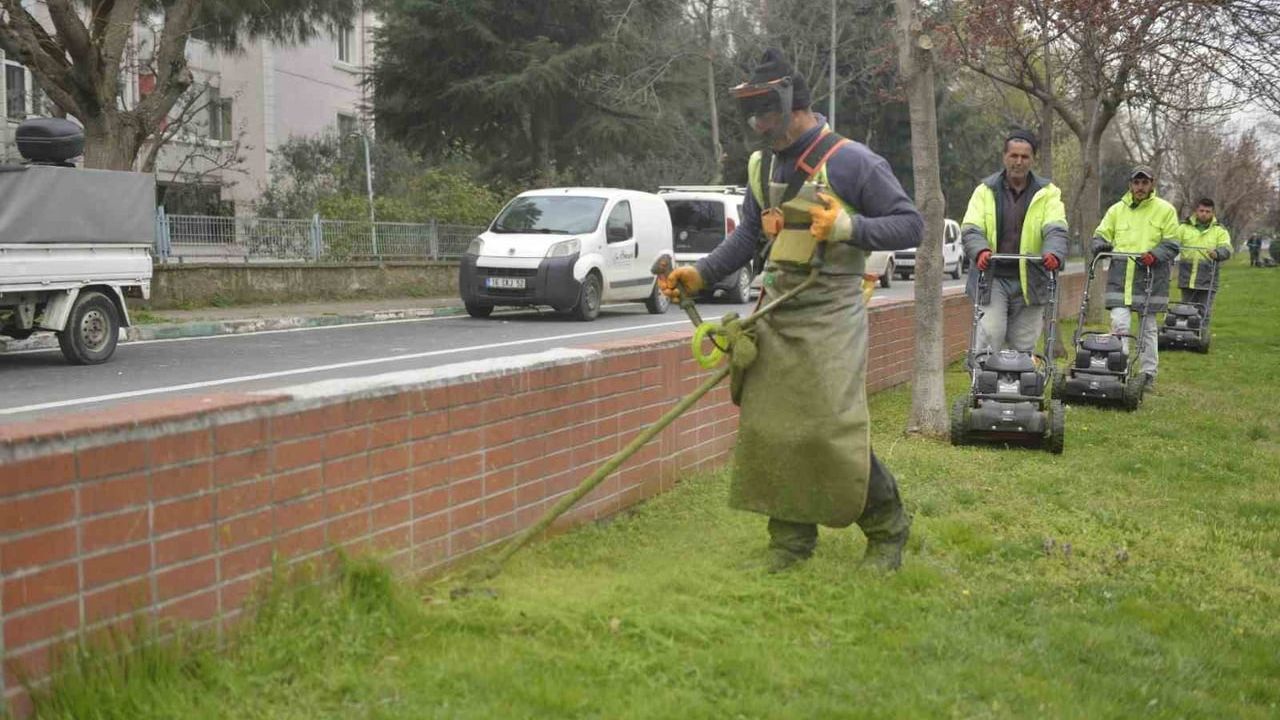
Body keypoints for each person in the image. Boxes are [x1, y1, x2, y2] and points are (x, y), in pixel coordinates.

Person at [659, 48, 923, 572]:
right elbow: (753, 235)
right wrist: (703, 273)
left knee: (827, 427)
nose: (758, 123)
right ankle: (790, 542)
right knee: (772, 426)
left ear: (794, 105)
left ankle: (888, 529)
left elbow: (909, 224)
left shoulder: (852, 160)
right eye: (751, 112)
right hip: (775, 306)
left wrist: (850, 229)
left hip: (831, 311)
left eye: (766, 111)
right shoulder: (762, 165)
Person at [960, 130, 1069, 355]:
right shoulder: (984, 191)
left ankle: (1019, 387)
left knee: (1024, 343)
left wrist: (1053, 253)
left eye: (1024, 157)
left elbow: (1056, 228)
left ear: (1032, 159)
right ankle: (983, 385)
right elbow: (971, 228)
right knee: (991, 334)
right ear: (1004, 157)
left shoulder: (1048, 193)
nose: (1018, 162)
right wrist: (980, 251)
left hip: (1031, 277)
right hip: (993, 278)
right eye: (1013, 156)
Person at [1090, 165, 1180, 389]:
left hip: (1150, 277)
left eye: (1145, 183)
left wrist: (1154, 255)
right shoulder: (1116, 210)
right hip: (1121, 277)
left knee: (1148, 328)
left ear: (1152, 184)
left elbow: (1172, 243)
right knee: (1119, 324)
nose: (1140, 187)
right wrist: (1100, 244)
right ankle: (1119, 367)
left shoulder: (1165, 210)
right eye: (1136, 183)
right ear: (1130, 184)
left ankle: (1148, 374)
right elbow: (1100, 234)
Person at [1176, 198, 1231, 309]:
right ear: (1196, 211)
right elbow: (1172, 244)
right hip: (1187, 280)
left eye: (1207, 211)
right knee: (1185, 313)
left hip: (1208, 281)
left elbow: (1227, 249)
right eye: (1201, 211)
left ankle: (1202, 327)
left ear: (1212, 213)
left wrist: (1217, 253)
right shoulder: (1183, 228)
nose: (1204, 214)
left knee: (1203, 315)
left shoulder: (1219, 230)